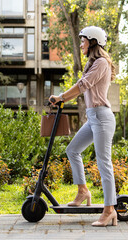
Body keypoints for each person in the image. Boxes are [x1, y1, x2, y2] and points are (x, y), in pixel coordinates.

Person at [49, 26, 117, 227]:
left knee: (104, 163)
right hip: (92, 117)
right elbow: (82, 85)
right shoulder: (92, 63)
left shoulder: (102, 63)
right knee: (73, 150)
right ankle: (82, 190)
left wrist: (61, 97)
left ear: (93, 41)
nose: (81, 45)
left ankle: (109, 211)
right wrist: (62, 99)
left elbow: (82, 86)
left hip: (102, 117)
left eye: (83, 41)